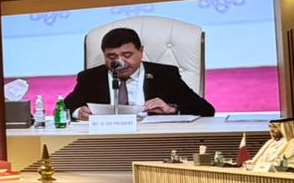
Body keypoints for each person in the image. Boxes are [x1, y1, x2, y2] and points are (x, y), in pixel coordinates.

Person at [65, 27, 214, 121]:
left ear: (141, 52)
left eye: (127, 55)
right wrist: (78, 112)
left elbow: (206, 110)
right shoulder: (90, 78)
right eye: (111, 57)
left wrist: (171, 109)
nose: (119, 62)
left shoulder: (165, 75)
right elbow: (64, 108)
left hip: (153, 140)